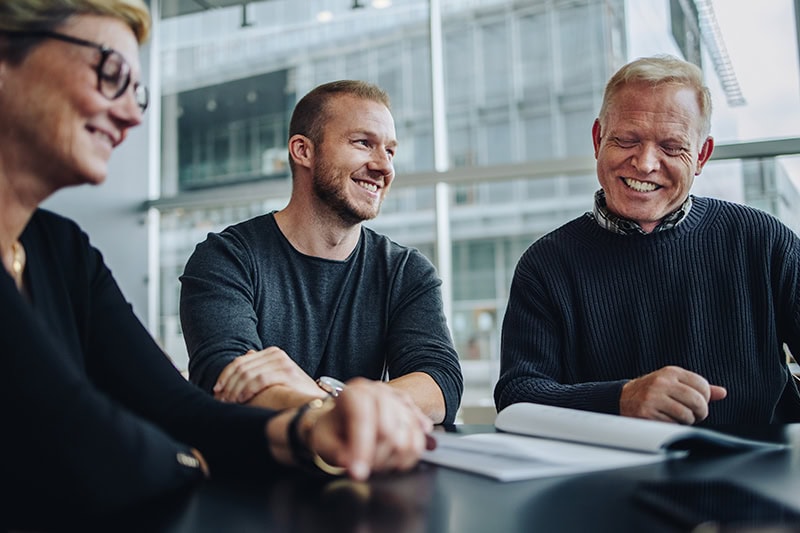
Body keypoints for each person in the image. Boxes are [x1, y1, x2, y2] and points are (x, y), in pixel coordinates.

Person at [0, 1, 433, 528]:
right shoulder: (227, 256)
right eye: (110, 73)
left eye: (136, 91)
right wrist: (191, 456)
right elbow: (81, 437)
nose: (134, 114)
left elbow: (178, 409)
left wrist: (316, 421)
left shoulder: (62, 250)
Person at [495, 55, 800, 426]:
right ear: (598, 139)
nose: (645, 163)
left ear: (701, 155)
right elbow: (517, 398)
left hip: (760, 474)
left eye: (671, 147)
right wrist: (620, 399)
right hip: (607, 479)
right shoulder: (546, 265)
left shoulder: (764, 242)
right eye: (627, 140)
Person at [179, 80, 463, 424]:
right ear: (303, 151)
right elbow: (229, 382)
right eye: (363, 143)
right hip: (252, 472)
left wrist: (324, 398)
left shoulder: (406, 271)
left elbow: (438, 384)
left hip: (364, 471)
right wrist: (352, 406)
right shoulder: (226, 259)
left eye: (389, 151)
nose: (384, 167)